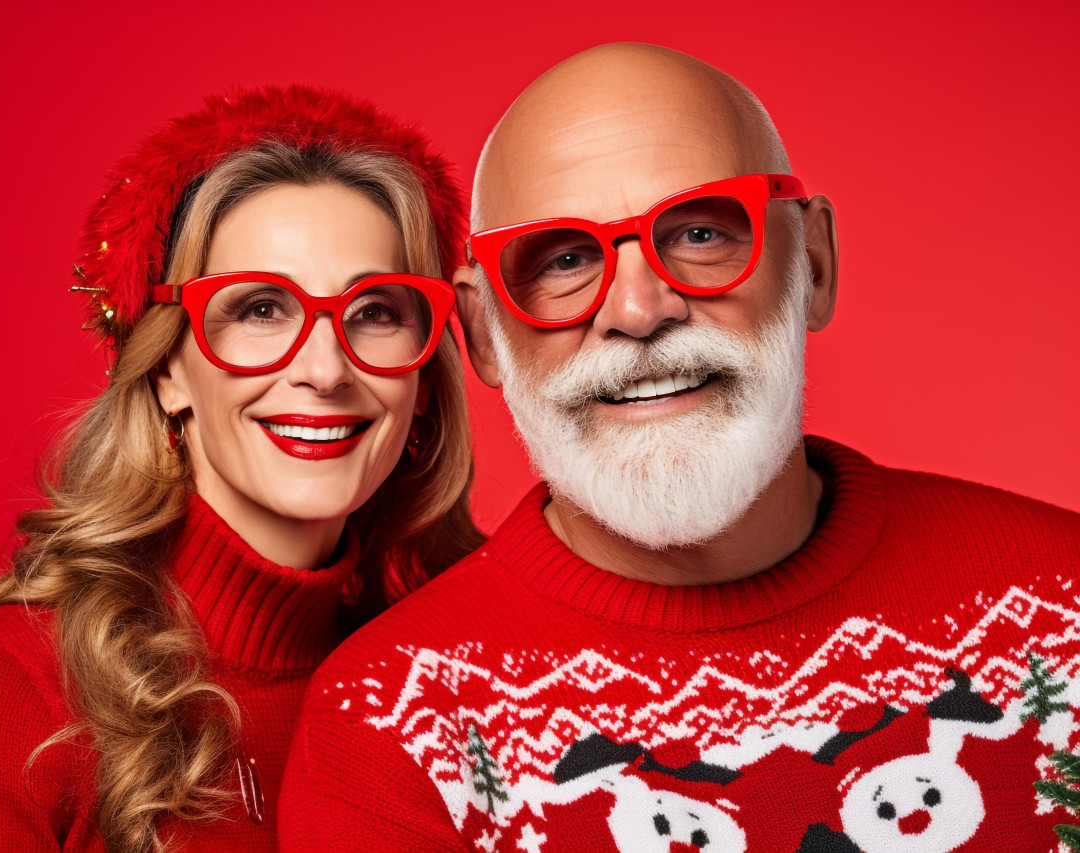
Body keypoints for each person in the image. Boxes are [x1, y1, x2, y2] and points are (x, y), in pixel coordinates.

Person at [279, 45, 1080, 852]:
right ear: (484, 333)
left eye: (700, 233)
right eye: (565, 260)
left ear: (813, 266)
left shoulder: (1064, 598)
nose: (638, 309)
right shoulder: (387, 734)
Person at [0, 85, 481, 853]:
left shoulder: (449, 681)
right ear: (166, 369)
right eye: (260, 309)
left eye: (376, 312)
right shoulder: (6, 682)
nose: (326, 370)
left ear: (422, 381)